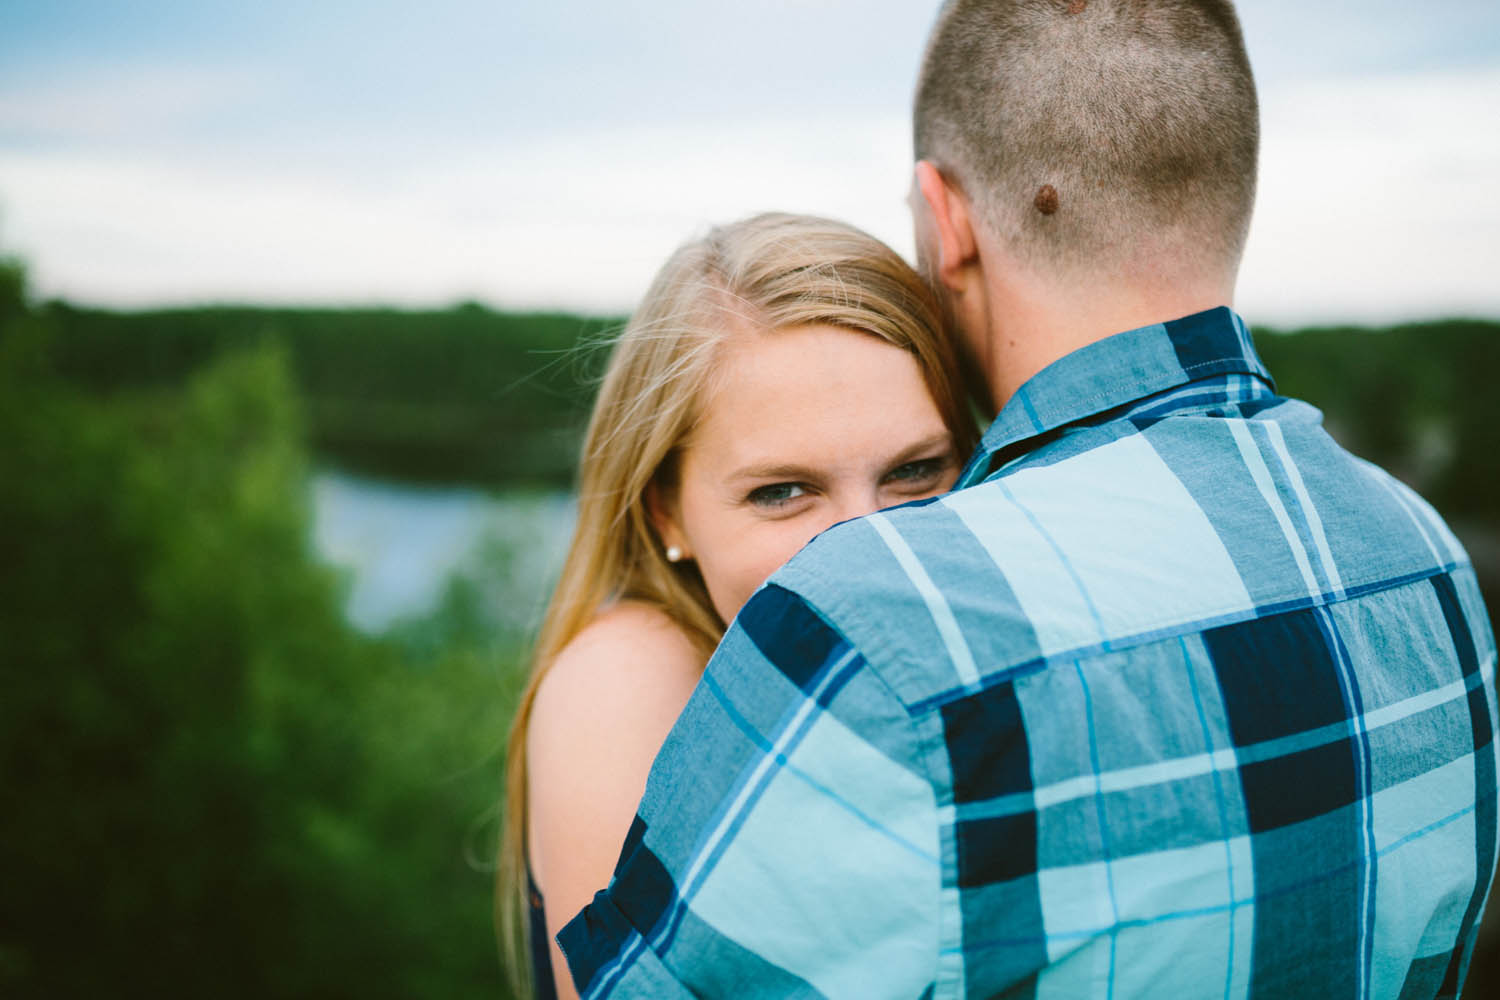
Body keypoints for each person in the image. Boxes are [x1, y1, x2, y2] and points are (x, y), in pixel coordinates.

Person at [557, 2, 1499, 999]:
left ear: (944, 219)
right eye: (782, 489)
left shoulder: (883, 632)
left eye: (919, 469)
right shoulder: (1428, 561)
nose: (863, 529)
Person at [499, 212, 981, 999]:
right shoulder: (628, 681)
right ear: (667, 513)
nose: (869, 546)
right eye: (783, 492)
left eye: (916, 471)